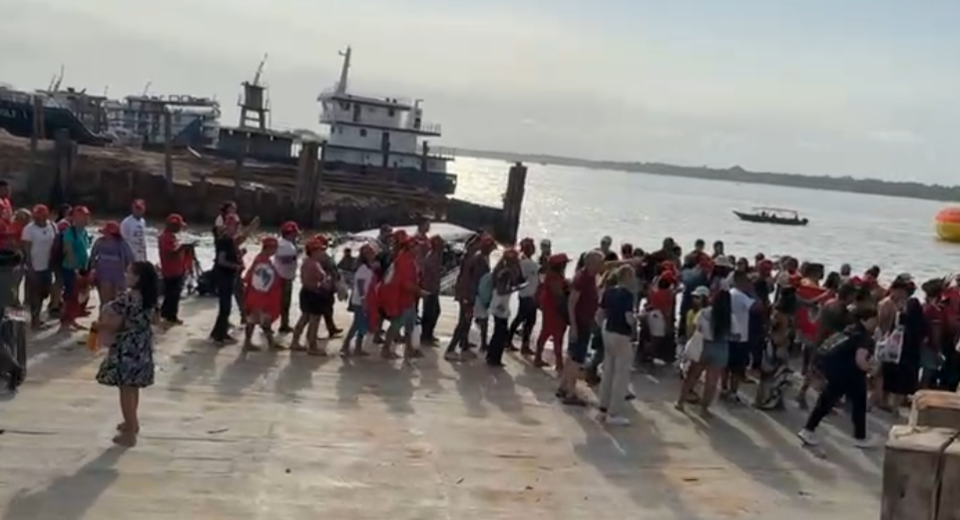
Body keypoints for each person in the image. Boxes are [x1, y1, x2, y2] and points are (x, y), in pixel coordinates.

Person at [94, 261, 159, 448]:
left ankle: (131, 429)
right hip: (143, 344)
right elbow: (155, 320)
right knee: (133, 386)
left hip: (127, 346)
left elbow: (115, 324)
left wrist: (99, 326)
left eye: (129, 273)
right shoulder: (150, 297)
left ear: (138, 278)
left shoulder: (128, 298)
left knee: (125, 388)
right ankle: (131, 421)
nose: (125, 275)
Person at [798, 306, 881, 449]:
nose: (876, 324)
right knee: (857, 404)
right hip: (848, 373)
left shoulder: (849, 330)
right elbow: (860, 361)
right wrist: (872, 370)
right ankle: (859, 437)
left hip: (834, 369)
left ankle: (808, 430)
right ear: (865, 320)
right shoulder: (863, 337)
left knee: (828, 401)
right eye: (874, 320)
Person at [676, 289, 733, 417]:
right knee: (711, 381)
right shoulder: (730, 317)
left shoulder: (704, 312)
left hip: (704, 345)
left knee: (692, 375)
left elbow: (696, 327)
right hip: (721, 348)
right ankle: (704, 409)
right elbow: (736, 335)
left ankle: (680, 402)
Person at [595, 265, 638, 426]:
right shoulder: (627, 295)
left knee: (608, 371)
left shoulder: (609, 291)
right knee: (621, 375)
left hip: (608, 331)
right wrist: (635, 325)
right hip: (621, 334)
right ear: (627, 277)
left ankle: (602, 408)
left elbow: (600, 314)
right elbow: (628, 317)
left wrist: (602, 328)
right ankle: (614, 412)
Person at [560, 250, 603, 406]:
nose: (601, 266)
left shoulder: (590, 277)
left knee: (571, 356)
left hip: (584, 322)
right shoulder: (582, 279)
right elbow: (571, 303)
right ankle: (571, 393)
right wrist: (573, 326)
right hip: (580, 323)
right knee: (577, 360)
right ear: (591, 263)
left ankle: (563, 386)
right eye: (599, 263)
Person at [241, 236, 283, 351]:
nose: (275, 251)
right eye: (274, 248)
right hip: (259, 297)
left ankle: (269, 342)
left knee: (257, 320)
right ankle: (250, 343)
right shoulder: (262, 262)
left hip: (257, 295)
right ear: (268, 248)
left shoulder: (260, 260)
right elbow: (261, 284)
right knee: (257, 320)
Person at [290, 237, 329, 356]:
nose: (322, 252)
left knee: (305, 317)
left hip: (306, 292)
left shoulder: (306, 262)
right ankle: (312, 346)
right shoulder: (313, 264)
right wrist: (325, 280)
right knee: (314, 320)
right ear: (314, 251)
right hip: (314, 293)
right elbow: (320, 278)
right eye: (320, 250)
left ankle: (295, 341)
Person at [486, 250, 524, 367]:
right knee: (501, 332)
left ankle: (491, 355)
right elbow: (502, 290)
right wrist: (515, 289)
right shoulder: (506, 272)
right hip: (501, 303)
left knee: (499, 330)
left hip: (498, 302)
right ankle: (495, 358)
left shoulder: (501, 269)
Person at [209, 214, 243, 345]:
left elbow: (229, 257)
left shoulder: (230, 240)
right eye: (235, 226)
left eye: (238, 226)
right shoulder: (225, 241)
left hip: (229, 276)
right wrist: (236, 266)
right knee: (225, 307)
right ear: (228, 226)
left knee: (226, 307)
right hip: (224, 276)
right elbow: (221, 260)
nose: (237, 228)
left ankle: (218, 332)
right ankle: (219, 336)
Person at [21, 204, 56, 329]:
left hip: (48, 265)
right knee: (35, 294)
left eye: (40, 215)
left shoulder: (52, 226)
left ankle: (38, 318)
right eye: (35, 215)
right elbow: (26, 249)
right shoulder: (29, 229)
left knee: (44, 293)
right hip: (35, 266)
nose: (37, 218)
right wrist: (29, 265)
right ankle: (35, 321)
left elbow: (55, 244)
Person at [535, 253, 570, 368]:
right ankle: (558, 362)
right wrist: (567, 290)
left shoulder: (553, 275)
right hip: (553, 307)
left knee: (547, 331)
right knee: (556, 333)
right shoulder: (554, 277)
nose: (565, 266)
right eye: (564, 264)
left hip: (549, 306)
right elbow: (558, 294)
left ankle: (539, 357)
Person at [60, 206, 92, 332]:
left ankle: (72, 320)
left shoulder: (84, 232)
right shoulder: (70, 232)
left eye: (87, 216)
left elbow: (86, 249)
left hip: (82, 268)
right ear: (76, 218)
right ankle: (65, 323)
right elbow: (68, 251)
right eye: (83, 216)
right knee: (70, 296)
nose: (87, 219)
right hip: (71, 268)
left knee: (78, 296)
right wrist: (75, 270)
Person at [90, 221, 135, 310]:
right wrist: (92, 271)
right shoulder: (99, 242)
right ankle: (103, 316)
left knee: (118, 301)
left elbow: (129, 259)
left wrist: (129, 274)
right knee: (105, 301)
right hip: (103, 275)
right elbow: (92, 257)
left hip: (118, 276)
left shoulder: (122, 244)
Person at [341, 244, 375, 356]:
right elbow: (360, 285)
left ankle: (358, 347)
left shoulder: (369, 267)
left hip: (366, 299)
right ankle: (345, 346)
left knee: (362, 324)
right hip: (360, 300)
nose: (371, 255)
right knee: (357, 324)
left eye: (371, 252)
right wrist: (363, 299)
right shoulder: (363, 268)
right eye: (368, 253)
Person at [509, 238, 540, 355]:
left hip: (529, 294)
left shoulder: (525, 261)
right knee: (525, 320)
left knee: (526, 320)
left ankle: (520, 343)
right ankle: (514, 342)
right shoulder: (526, 263)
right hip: (527, 295)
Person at [158, 214, 187, 326]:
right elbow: (171, 253)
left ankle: (166, 314)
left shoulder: (170, 236)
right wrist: (183, 247)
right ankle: (170, 316)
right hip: (171, 271)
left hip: (176, 269)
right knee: (173, 295)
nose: (180, 228)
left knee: (172, 294)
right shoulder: (165, 237)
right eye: (179, 226)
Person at [275, 221, 300, 334]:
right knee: (282, 303)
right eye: (295, 233)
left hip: (285, 276)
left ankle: (284, 324)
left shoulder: (286, 243)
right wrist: (295, 256)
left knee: (285, 304)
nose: (296, 235)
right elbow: (284, 260)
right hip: (282, 278)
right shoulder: (284, 245)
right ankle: (279, 324)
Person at [419, 235, 444, 346]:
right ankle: (425, 336)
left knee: (435, 312)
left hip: (433, 288)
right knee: (429, 313)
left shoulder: (436, 256)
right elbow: (431, 274)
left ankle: (428, 334)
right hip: (429, 289)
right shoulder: (432, 257)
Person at [120, 199, 148, 263]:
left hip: (140, 256)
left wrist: (145, 257)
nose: (138, 211)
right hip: (130, 256)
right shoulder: (126, 222)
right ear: (133, 209)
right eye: (136, 208)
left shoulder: (143, 222)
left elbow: (143, 241)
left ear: (144, 209)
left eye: (140, 209)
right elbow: (122, 241)